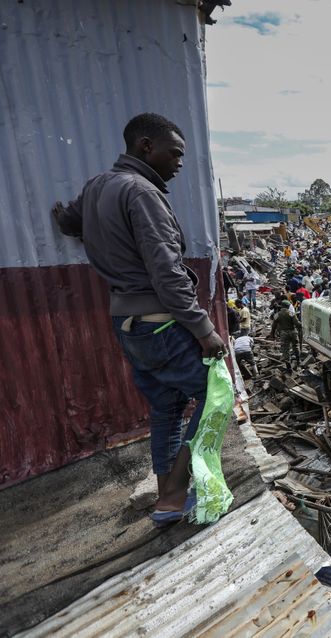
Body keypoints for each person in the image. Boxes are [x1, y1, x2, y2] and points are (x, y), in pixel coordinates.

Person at [51, 113, 227, 526]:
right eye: (176, 153)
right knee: (216, 397)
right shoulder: (142, 193)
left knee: (166, 405)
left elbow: (73, 220)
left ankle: (168, 500)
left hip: (128, 326)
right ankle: (176, 491)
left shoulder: (98, 186)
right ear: (146, 146)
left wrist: (64, 218)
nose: (180, 162)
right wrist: (204, 330)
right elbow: (167, 273)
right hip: (162, 321)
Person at [270, 300, 302, 371]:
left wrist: (272, 334)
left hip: (284, 333)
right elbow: (297, 323)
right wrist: (302, 325)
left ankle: (289, 367)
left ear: (282, 306)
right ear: (288, 306)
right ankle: (298, 361)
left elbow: (274, 325)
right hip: (293, 332)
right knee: (296, 347)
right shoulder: (291, 313)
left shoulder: (277, 314)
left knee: (285, 349)